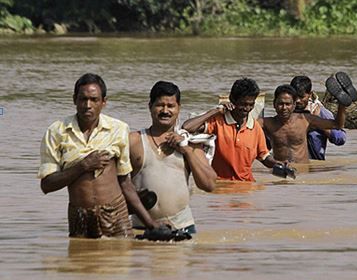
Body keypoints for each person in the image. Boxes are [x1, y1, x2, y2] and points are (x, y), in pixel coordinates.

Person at [38, 73, 159, 238]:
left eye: (94, 100)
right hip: (79, 216)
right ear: (74, 100)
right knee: (80, 260)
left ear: (103, 102)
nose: (88, 105)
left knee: (120, 259)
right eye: (83, 99)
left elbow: (125, 182)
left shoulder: (118, 129)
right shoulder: (57, 132)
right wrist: (83, 166)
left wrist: (151, 224)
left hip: (115, 213)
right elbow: (47, 185)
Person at [129, 81, 217, 234]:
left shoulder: (191, 144)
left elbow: (209, 185)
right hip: (140, 229)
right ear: (150, 106)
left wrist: (187, 151)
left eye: (170, 106)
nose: (165, 111)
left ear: (178, 108)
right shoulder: (134, 141)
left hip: (182, 228)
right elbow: (115, 185)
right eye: (160, 105)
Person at [182, 78, 281, 182]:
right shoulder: (217, 122)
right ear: (232, 100)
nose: (247, 109)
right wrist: (215, 111)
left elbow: (264, 157)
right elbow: (187, 127)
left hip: (246, 186)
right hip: (219, 183)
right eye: (243, 104)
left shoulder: (255, 128)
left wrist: (277, 164)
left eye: (251, 105)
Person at [259, 84, 347, 164]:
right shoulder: (266, 123)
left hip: (303, 172)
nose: (284, 108)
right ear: (274, 104)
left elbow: (337, 125)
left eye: (288, 104)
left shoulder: (305, 119)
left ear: (294, 105)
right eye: (280, 104)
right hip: (281, 171)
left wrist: (342, 105)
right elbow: (247, 126)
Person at [290, 75, 346, 160]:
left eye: (301, 97)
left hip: (315, 166)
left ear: (310, 94)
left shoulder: (320, 112)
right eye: (295, 96)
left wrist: (319, 125)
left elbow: (340, 138)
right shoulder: (286, 112)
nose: (298, 100)